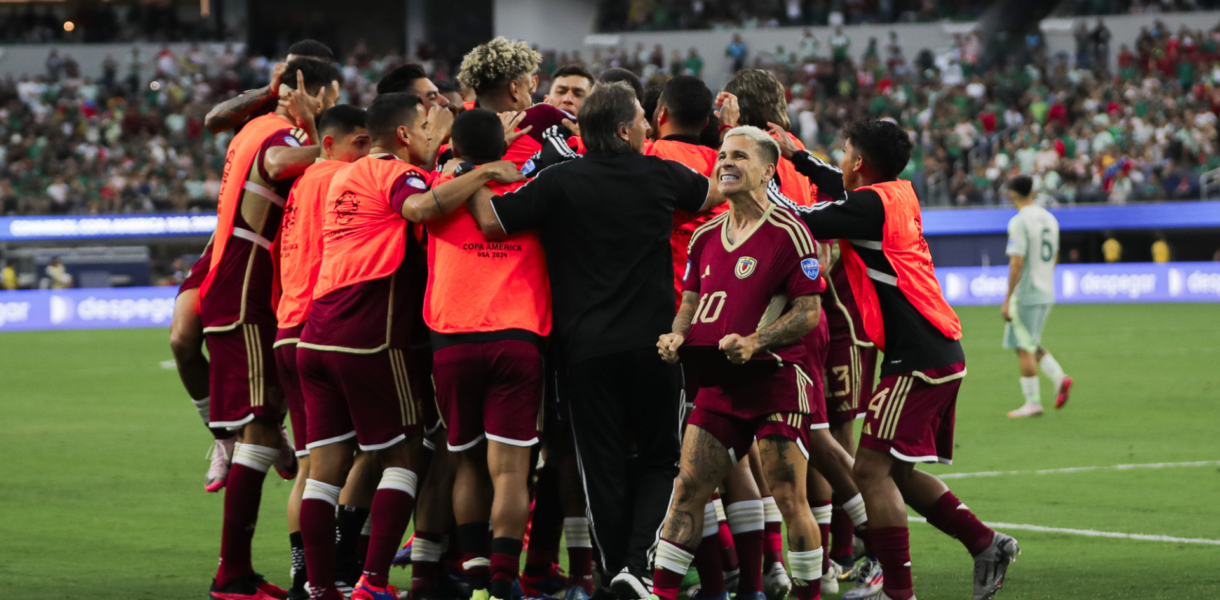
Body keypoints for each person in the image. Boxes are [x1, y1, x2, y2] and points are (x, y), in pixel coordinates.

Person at [465, 81, 722, 600]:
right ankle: (637, 569)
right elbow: (715, 192)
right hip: (655, 347)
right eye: (643, 122)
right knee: (661, 460)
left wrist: (471, 168)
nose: (650, 128)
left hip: (584, 351)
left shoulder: (561, 180)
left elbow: (491, 221)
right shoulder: (660, 174)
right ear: (625, 129)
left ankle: (615, 574)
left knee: (599, 465)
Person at [769, 119, 1019, 600]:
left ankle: (899, 591)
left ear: (859, 162)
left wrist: (762, 177)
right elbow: (835, 190)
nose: (839, 160)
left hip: (919, 360)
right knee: (895, 473)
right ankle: (986, 544)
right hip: (936, 351)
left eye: (845, 152)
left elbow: (801, 216)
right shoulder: (895, 194)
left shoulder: (867, 205)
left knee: (870, 472)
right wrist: (796, 156)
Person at [294, 93, 523, 600]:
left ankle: (317, 586)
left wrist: (443, 146)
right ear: (403, 135)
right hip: (369, 331)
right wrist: (485, 173)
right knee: (404, 453)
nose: (429, 134)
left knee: (325, 469)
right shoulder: (397, 174)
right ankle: (372, 582)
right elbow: (419, 208)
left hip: (317, 334)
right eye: (423, 127)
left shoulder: (341, 176)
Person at [652, 125, 828, 600]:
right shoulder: (705, 234)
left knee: (789, 496)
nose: (725, 162)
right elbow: (690, 300)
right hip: (719, 381)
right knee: (687, 489)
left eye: (739, 157)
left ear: (769, 170)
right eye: (723, 155)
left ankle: (808, 592)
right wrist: (678, 334)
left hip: (778, 379)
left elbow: (809, 312)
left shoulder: (791, 231)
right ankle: (662, 594)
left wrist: (755, 342)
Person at [200, 57, 340, 600]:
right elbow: (281, 160)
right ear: (316, 91)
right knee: (257, 425)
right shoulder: (279, 132)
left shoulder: (251, 124)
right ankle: (231, 573)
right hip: (247, 283)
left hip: (237, 277)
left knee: (262, 422)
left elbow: (220, 122)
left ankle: (237, 569)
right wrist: (331, 144)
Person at [422, 108, 550, 600]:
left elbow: (420, 209)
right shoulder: (529, 193)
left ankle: (475, 576)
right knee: (512, 469)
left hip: (452, 336)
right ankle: (502, 578)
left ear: (455, 148)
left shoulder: (439, 190)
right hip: (517, 336)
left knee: (468, 463)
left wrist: (459, 164)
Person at [272, 104, 372, 600]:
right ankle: (333, 568)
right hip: (321, 325)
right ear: (328, 143)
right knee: (355, 457)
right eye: (359, 142)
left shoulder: (301, 184)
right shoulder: (340, 178)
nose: (367, 153)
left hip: (287, 329)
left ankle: (303, 575)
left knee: (315, 464)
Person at [1001, 175, 1072, 418]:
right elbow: (1055, 255)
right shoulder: (1049, 218)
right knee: (1031, 340)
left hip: (1027, 293)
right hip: (1046, 290)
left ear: (1012, 194)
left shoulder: (1019, 221)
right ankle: (1058, 377)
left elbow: (1016, 262)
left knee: (1023, 346)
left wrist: (1008, 296)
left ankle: (1032, 402)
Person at [204, 40, 335, 134]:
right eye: (293, 67)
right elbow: (213, 122)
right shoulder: (262, 101)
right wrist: (270, 90)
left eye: (308, 69)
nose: (299, 74)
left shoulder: (333, 114)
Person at [377, 62, 455, 170]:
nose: (445, 101)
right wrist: (437, 133)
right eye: (432, 97)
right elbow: (419, 183)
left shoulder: (448, 151)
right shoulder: (384, 165)